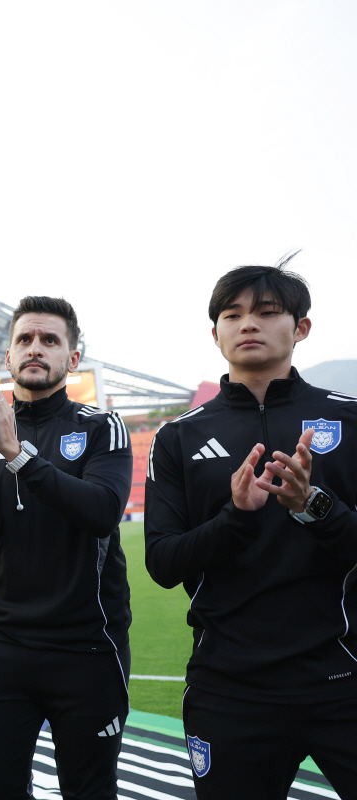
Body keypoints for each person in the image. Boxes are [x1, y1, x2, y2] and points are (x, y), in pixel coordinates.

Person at [145, 260, 357, 798]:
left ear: (300, 327)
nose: (248, 324)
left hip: (344, 678)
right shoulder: (178, 437)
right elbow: (164, 564)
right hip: (229, 690)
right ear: (215, 332)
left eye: (266, 312)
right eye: (232, 314)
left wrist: (313, 505)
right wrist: (236, 518)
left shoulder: (350, 420)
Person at [0, 297, 133, 799]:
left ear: (72, 357)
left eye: (50, 340)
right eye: (24, 339)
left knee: (90, 791)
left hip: (86, 646)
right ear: (8, 357)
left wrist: (21, 458)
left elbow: (102, 511)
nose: (35, 349)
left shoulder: (100, 428)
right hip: (0, 646)